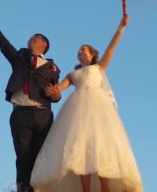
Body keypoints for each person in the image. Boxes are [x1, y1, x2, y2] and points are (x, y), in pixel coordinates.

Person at [30, 14, 143, 192]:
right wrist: (52, 90)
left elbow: (111, 49)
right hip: (77, 113)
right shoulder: (73, 75)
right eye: (79, 50)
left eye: (84, 49)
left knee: (102, 150)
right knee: (81, 151)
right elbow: (60, 87)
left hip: (99, 111)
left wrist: (121, 27)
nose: (80, 51)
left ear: (91, 55)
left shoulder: (98, 68)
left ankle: (105, 189)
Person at [0, 5, 62, 192]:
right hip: (20, 113)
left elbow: (56, 94)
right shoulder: (19, 57)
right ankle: (23, 188)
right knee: (23, 153)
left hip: (43, 114)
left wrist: (56, 95)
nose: (32, 37)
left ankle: (40, 187)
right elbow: (2, 42)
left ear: (44, 45)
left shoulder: (52, 68)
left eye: (37, 36)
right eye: (31, 36)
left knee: (40, 154)